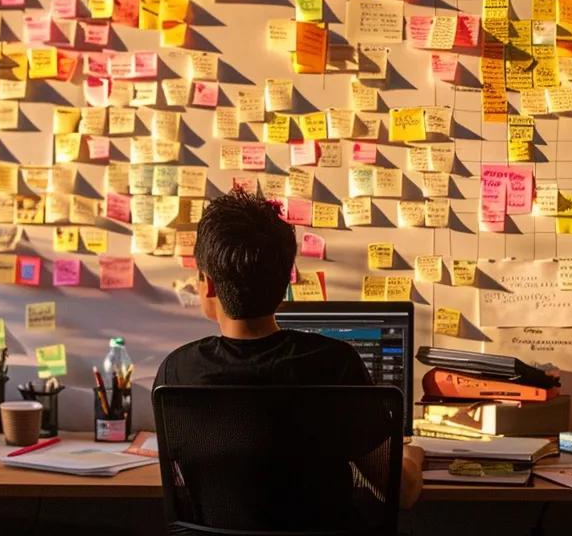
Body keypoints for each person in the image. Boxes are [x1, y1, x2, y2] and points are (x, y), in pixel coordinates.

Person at [159, 188, 425, 520]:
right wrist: (414, 455)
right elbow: (402, 492)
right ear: (287, 280)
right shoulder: (333, 365)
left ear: (208, 284)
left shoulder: (178, 373)